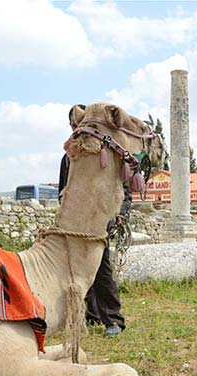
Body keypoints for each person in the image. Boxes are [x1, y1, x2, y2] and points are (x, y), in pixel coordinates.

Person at [58, 104, 130, 336]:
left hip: (101, 219)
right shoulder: (68, 157)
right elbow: (64, 190)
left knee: (101, 267)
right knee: (76, 266)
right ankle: (90, 314)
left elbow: (123, 188)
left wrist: (121, 213)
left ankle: (113, 320)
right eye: (72, 125)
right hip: (76, 222)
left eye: (77, 123)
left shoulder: (107, 152)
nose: (75, 128)